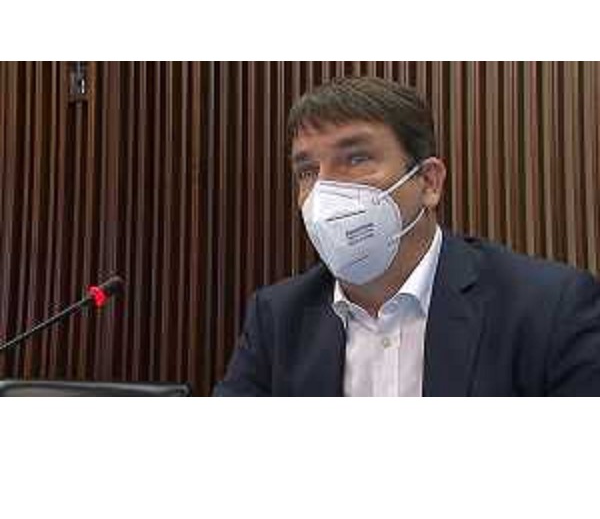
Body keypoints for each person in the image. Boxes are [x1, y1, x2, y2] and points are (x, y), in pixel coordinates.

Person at [214, 76, 600, 396]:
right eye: (307, 171)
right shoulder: (277, 317)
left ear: (429, 182)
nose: (325, 191)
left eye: (356, 158)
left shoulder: (548, 308)